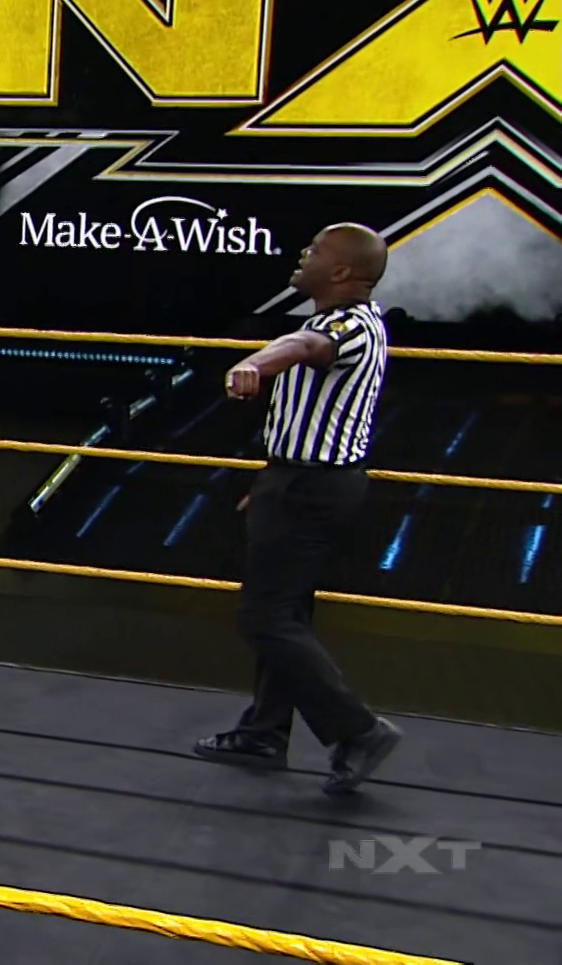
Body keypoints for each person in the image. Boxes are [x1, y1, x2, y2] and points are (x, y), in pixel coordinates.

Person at [194, 222, 404, 795]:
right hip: (298, 481)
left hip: (311, 487)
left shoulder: (347, 326)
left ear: (341, 271)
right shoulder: (343, 321)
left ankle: (359, 731)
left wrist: (254, 365)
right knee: (286, 612)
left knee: (265, 617)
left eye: (314, 251)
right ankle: (264, 732)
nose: (301, 255)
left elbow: (301, 349)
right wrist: (270, 480)